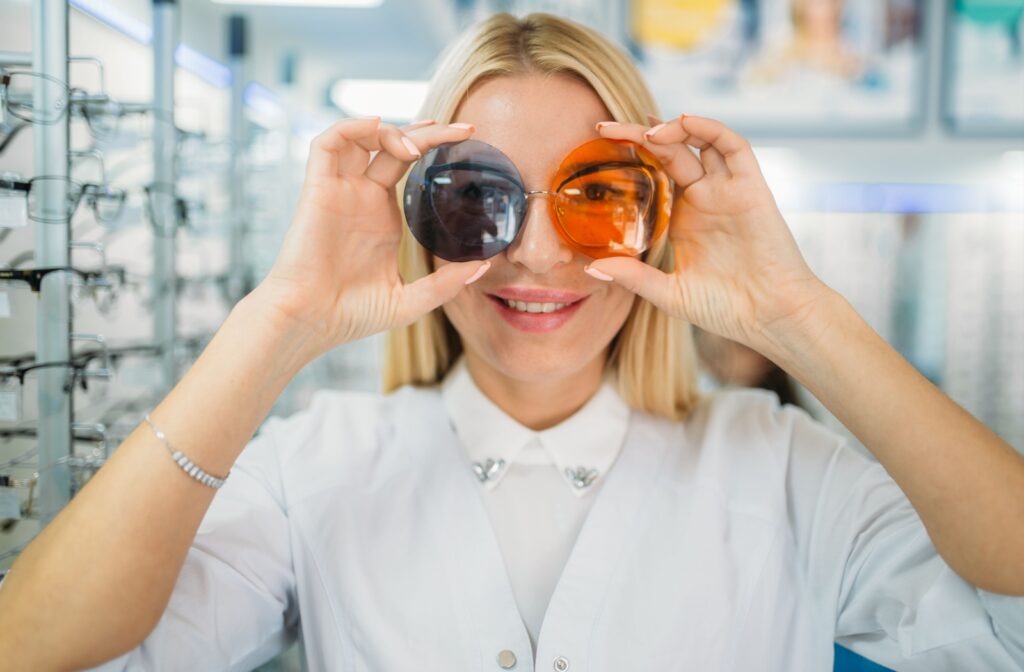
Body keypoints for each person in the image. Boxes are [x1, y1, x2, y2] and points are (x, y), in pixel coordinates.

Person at [1, 12, 1022, 672]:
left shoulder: (789, 470)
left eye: (596, 200)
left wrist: (801, 315)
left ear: (657, 218)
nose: (534, 256)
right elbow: (44, 652)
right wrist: (278, 320)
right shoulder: (319, 465)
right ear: (418, 215)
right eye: (479, 201)